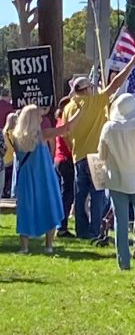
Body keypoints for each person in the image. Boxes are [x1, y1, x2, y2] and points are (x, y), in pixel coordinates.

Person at [63, 53, 135, 239]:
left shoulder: (68, 107)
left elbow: (65, 133)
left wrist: (73, 149)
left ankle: (82, 231)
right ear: (88, 89)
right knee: (97, 195)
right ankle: (95, 230)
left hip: (78, 155)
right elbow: (115, 85)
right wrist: (131, 64)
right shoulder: (95, 101)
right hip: (96, 156)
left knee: (80, 195)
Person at [10, 103, 80, 254]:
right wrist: (79, 113)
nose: (42, 118)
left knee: (26, 209)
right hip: (44, 176)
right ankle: (48, 245)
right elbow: (66, 128)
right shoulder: (42, 134)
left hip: (26, 176)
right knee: (50, 206)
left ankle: (24, 247)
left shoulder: (16, 136)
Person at [98, 92, 135, 271]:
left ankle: (123, 261)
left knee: (120, 222)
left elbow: (102, 156)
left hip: (117, 180)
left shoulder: (108, 128)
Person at [54, 97, 75, 238]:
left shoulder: (59, 121)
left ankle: (61, 224)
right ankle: (61, 226)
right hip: (65, 160)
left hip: (59, 159)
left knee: (65, 194)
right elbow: (68, 144)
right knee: (67, 195)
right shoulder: (63, 123)